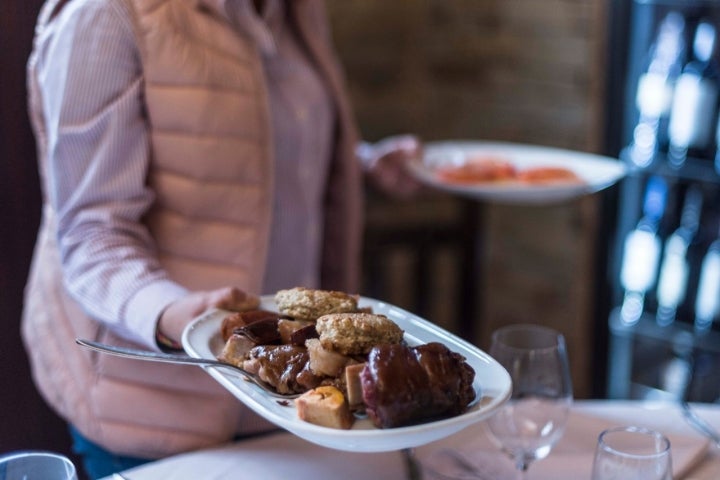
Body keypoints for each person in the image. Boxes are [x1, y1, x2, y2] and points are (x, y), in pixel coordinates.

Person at [22, 0, 422, 478]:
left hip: (288, 386)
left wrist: (361, 164)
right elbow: (90, 232)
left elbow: (252, 140)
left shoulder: (294, 10)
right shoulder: (105, 14)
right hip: (155, 399)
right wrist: (175, 318)